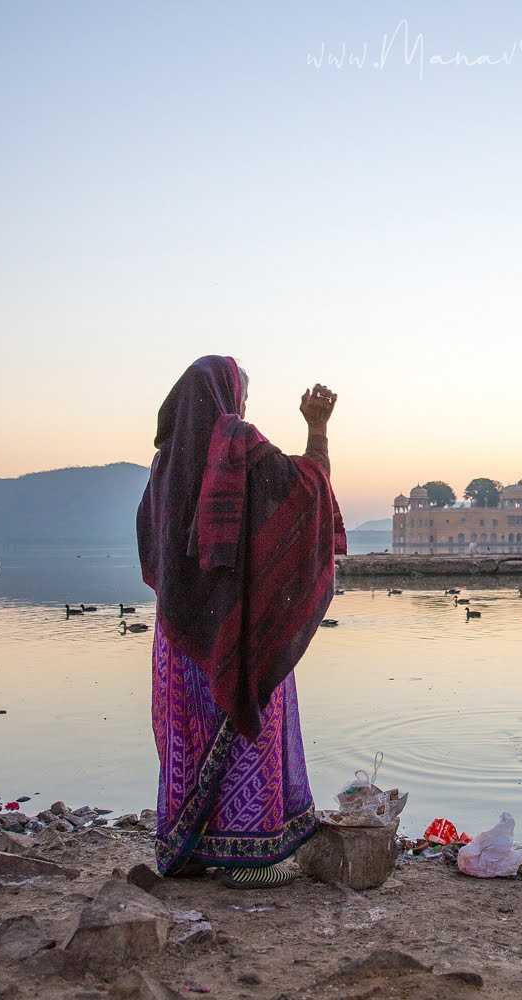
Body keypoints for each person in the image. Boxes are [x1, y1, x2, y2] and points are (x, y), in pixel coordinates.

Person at [136, 356, 345, 887]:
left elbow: (151, 548)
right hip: (239, 629)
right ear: (224, 396)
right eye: (242, 392)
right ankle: (250, 857)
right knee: (247, 725)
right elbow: (304, 494)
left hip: (180, 638)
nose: (245, 403)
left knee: (189, 738)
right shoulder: (236, 443)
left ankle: (190, 850)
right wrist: (317, 430)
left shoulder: (163, 468)